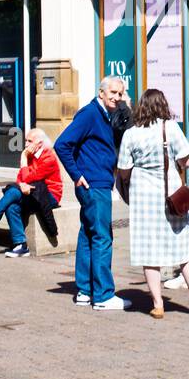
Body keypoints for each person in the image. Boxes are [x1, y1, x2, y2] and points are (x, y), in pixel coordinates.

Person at [116, 89, 189, 320]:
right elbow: (186, 161)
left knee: (150, 252)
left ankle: (157, 305)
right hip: (170, 197)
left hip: (142, 199)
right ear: (162, 105)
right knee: (184, 249)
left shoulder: (131, 134)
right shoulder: (170, 127)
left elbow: (124, 170)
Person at [54, 76, 129, 311]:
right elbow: (62, 144)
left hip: (96, 183)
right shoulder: (90, 113)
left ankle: (85, 290)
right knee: (102, 237)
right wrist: (77, 175)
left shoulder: (106, 115)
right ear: (101, 93)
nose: (116, 97)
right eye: (113, 93)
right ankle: (104, 295)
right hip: (93, 184)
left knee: (88, 234)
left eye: (120, 93)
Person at [0, 128, 63, 258]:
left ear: (39, 143)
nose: (26, 144)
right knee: (11, 205)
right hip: (33, 193)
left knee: (13, 193)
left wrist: (23, 159)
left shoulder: (48, 158)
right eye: (25, 141)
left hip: (49, 196)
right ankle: (20, 245)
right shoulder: (31, 155)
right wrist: (22, 184)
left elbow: (28, 178)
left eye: (29, 141)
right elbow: (20, 179)